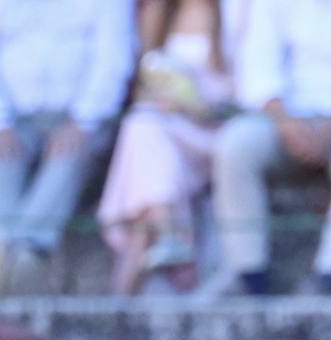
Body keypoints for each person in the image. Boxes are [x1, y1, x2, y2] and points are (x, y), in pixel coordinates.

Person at [214, 0, 331, 295]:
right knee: (235, 145)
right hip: (288, 116)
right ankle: (247, 274)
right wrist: (286, 123)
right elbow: (257, 67)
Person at [0, 0, 138, 294]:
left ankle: (19, 250)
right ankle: (7, 249)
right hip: (10, 116)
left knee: (69, 155)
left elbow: (114, 60)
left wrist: (81, 122)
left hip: (81, 114)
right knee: (1, 156)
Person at [98, 0, 237, 296]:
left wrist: (194, 108)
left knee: (143, 130)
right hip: (168, 132)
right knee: (143, 122)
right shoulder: (157, 15)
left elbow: (247, 93)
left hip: (213, 129)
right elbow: (141, 87)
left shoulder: (235, 11)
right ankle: (166, 229)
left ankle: (164, 237)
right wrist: (161, 99)